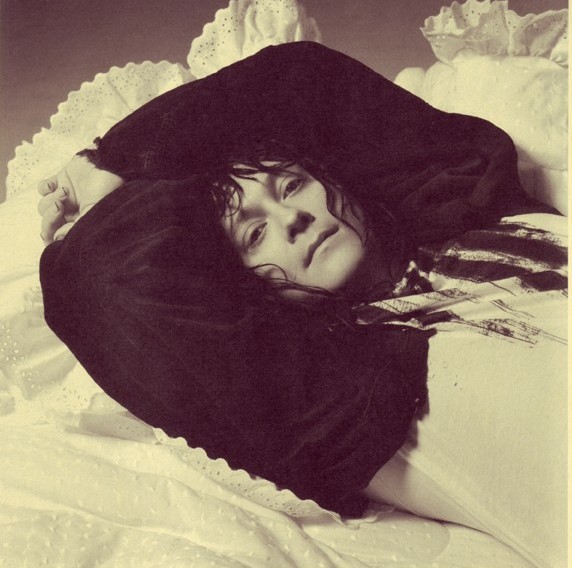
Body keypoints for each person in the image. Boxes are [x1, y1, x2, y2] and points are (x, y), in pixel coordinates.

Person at [38, 43, 566, 567]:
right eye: (254, 233)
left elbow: (300, 73)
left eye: (292, 186)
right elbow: (103, 278)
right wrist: (113, 191)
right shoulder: (345, 402)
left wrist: (113, 158)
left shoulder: (470, 202)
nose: (291, 218)